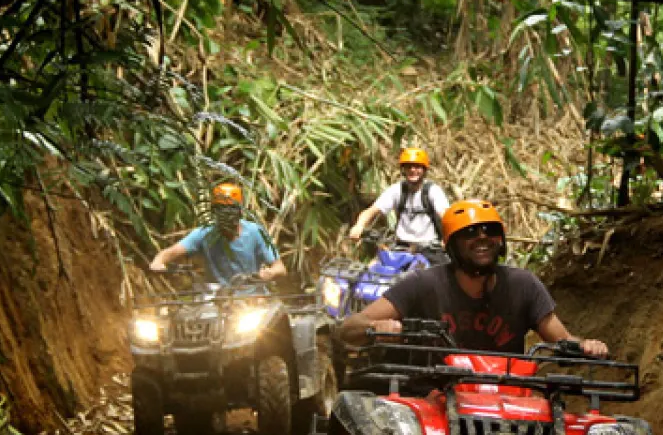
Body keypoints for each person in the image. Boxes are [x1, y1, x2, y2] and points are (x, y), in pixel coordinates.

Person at [342, 199, 607, 357]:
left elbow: (562, 340)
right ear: (452, 245)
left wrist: (586, 345)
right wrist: (376, 327)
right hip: (435, 398)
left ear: (500, 241)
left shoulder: (523, 285)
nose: (482, 238)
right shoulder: (424, 284)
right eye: (470, 233)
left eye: (490, 231)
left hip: (505, 399)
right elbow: (347, 329)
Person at [150, 182, 287, 286]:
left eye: (231, 209)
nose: (227, 215)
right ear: (214, 212)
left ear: (239, 211)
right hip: (216, 299)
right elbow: (171, 252)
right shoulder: (204, 233)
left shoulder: (255, 232)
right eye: (222, 209)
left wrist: (270, 273)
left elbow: (280, 268)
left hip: (252, 299)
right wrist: (159, 261)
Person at [348, 147, 449, 247]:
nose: (412, 170)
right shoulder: (396, 190)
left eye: (417, 167)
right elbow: (371, 211)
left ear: (424, 170)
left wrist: (447, 238)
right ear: (403, 170)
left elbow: (446, 216)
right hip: (401, 247)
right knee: (379, 257)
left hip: (428, 247)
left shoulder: (433, 191)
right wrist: (359, 225)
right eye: (408, 167)